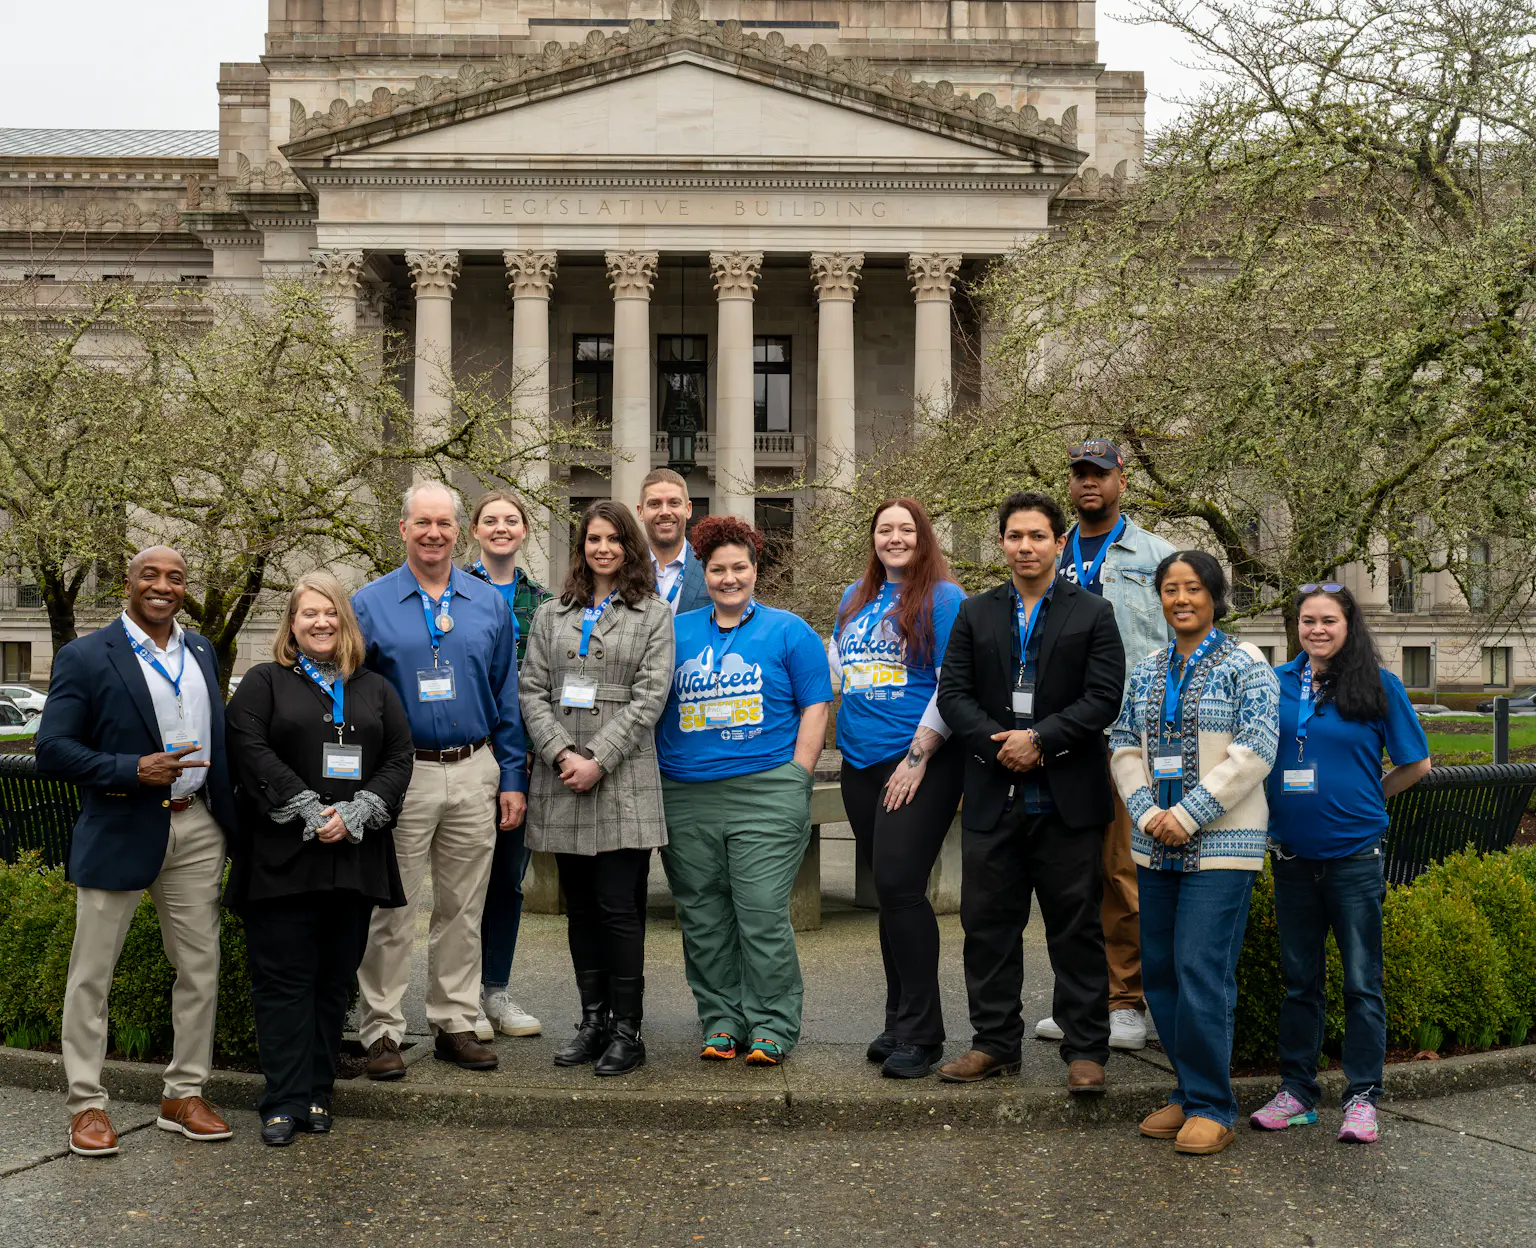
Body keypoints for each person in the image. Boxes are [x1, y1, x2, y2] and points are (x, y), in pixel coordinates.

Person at [37, 545, 236, 1157]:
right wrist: (130, 768)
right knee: (92, 976)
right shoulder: (85, 655)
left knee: (200, 969)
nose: (163, 586)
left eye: (176, 577)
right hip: (121, 826)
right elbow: (53, 749)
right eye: (150, 575)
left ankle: (183, 1093)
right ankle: (87, 1105)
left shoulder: (201, 649)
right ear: (128, 582)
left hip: (197, 827)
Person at [935, 493, 1127, 1094]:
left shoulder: (1093, 612)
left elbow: (1103, 698)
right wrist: (1001, 747)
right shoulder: (975, 613)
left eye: (1037, 536)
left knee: (1075, 928)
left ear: (1057, 543)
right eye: (1015, 536)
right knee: (988, 925)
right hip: (995, 795)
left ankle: (1085, 1048)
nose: (1025, 546)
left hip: (1066, 796)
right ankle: (995, 1043)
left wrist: (1040, 741)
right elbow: (953, 694)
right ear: (1001, 544)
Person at [225, 573, 416, 1146]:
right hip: (284, 858)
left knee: (334, 982)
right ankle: (281, 1099)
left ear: (346, 621)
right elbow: (246, 744)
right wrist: (307, 806)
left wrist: (358, 812)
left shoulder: (374, 688)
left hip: (352, 858)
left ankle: (316, 1091)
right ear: (292, 622)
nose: (321, 623)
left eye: (331, 612)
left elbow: (401, 756)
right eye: (309, 613)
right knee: (283, 982)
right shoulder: (266, 681)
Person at [351, 482, 528, 1078]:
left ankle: (454, 1020)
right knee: (391, 906)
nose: (433, 533)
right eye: (421, 522)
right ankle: (381, 1030)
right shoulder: (369, 603)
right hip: (402, 774)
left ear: (459, 532)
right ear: (402, 529)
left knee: (463, 906)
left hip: (475, 767)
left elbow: (506, 691)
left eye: (444, 524)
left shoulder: (487, 603)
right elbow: (350, 697)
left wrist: (511, 775)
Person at [1110, 551, 1280, 1155]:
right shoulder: (1150, 669)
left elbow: (1257, 747)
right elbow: (1125, 743)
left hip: (1221, 847)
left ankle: (1214, 1105)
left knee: (1202, 972)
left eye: (1192, 588)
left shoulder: (1246, 663)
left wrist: (1188, 814)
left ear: (1213, 595)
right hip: (1156, 845)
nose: (1181, 599)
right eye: (1170, 589)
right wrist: (1147, 811)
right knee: (1159, 972)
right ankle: (1186, 1091)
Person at [1251, 584, 1430, 1145]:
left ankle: (1361, 1098)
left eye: (1329, 620)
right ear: (1297, 627)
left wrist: (1369, 798)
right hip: (1293, 858)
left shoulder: (1378, 685)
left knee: (1360, 982)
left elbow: (1416, 764)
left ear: (1350, 626)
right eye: (1308, 621)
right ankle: (1298, 1094)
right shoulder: (1273, 685)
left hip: (1355, 858)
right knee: (1300, 982)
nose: (1318, 630)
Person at [656, 516, 833, 1066]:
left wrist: (798, 775)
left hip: (766, 791)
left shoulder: (789, 631)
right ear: (702, 573)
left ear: (756, 570)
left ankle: (773, 1024)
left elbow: (815, 704)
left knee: (760, 911)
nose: (729, 578)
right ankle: (721, 1021)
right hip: (686, 793)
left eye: (740, 568)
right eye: (717, 569)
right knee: (703, 917)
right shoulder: (676, 631)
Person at [519, 500, 674, 1076]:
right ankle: (593, 1020)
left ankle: (627, 1031)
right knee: (579, 909)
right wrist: (561, 752)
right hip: (560, 777)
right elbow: (531, 690)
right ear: (580, 546)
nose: (602, 548)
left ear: (629, 547)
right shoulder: (551, 615)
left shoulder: (652, 614)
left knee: (617, 908)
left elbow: (650, 697)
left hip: (623, 778)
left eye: (613, 539)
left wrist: (598, 759)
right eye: (592, 539)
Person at [1035, 439, 1176, 1053]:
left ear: (1122, 479)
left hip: (1127, 737)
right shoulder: (1049, 552)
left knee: (1123, 873)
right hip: (1059, 735)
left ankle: (1125, 1000)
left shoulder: (1156, 555)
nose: (1089, 483)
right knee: (1069, 875)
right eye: (1079, 474)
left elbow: (1183, 640)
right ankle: (1080, 997)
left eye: (1100, 473)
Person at [831, 498, 968, 1079]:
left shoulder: (943, 598)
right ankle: (897, 1019)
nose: (894, 537)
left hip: (919, 761)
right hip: (859, 762)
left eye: (905, 529)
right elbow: (842, 669)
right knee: (889, 893)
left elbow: (953, 683)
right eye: (884, 528)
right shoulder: (853, 597)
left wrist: (917, 757)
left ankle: (923, 1033)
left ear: (923, 536)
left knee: (899, 885)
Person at [465, 489, 552, 1042]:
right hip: (466, 751)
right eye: (490, 520)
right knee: (459, 882)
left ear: (524, 531)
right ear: (475, 530)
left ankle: (493, 989)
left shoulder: (543, 602)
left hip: (522, 760)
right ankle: (457, 990)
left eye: (511, 520)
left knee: (507, 881)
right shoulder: (451, 593)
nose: (501, 528)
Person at [637, 468, 709, 614]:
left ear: (688, 509)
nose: (665, 512)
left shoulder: (710, 567)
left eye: (674, 503)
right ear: (640, 512)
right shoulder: (624, 569)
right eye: (654, 504)